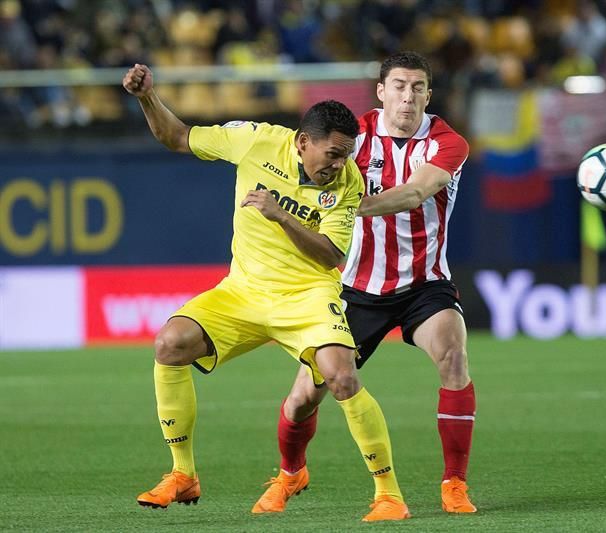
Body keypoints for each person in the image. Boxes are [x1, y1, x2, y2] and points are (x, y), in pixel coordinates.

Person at [122, 63, 410, 522]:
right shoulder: (255, 140)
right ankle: (182, 473)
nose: (339, 165)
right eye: (333, 154)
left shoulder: (348, 182)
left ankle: (389, 495)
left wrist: (282, 216)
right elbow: (177, 137)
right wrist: (147, 98)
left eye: (346, 155)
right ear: (303, 142)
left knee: (341, 376)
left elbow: (330, 256)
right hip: (244, 291)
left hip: (307, 294)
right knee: (170, 343)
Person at [260, 51, 477, 515]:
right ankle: (291, 471)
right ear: (381, 92)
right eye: (399, 86)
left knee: (454, 355)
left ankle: (455, 484)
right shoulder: (353, 138)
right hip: (356, 288)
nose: (408, 96)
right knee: (302, 398)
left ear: (429, 95)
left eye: (417, 87)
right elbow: (311, 170)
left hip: (425, 284)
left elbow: (415, 192)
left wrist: (348, 205)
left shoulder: (447, 143)